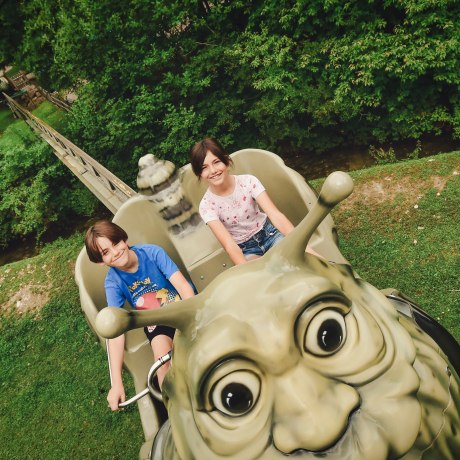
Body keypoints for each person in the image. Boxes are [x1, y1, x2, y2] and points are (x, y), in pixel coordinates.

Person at [85, 220, 195, 411]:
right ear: (101, 261)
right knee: (162, 365)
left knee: (195, 345)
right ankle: (179, 409)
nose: (116, 252)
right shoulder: (113, 282)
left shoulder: (153, 253)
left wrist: (191, 318)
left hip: (182, 307)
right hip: (156, 321)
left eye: (115, 243)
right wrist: (116, 383)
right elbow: (116, 330)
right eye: (106, 252)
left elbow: (184, 288)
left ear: (124, 239)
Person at [190, 138, 320, 265]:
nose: (213, 171)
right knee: (267, 272)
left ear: (227, 161)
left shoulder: (248, 182)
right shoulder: (206, 205)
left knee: (295, 261)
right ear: (199, 174)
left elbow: (276, 216)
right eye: (204, 167)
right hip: (246, 250)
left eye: (216, 162)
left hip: (269, 235)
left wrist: (307, 249)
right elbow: (229, 245)